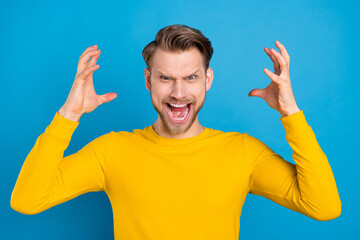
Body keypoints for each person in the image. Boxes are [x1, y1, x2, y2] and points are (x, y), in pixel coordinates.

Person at [10, 24, 341, 239]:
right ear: (148, 80)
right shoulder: (111, 151)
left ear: (208, 80)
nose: (178, 93)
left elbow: (323, 206)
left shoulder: (242, 152)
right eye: (165, 78)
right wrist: (68, 115)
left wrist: (291, 114)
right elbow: (27, 201)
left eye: (191, 78)